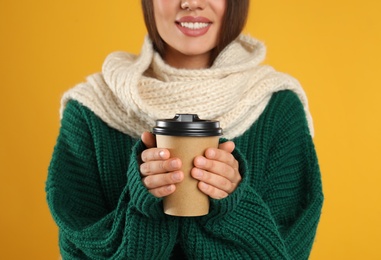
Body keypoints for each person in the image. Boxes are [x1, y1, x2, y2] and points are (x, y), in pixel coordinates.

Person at [46, 0, 324, 259]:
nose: (191, 2)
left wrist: (233, 205)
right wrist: (143, 206)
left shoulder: (278, 106)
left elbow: (290, 250)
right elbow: (77, 250)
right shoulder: (90, 108)